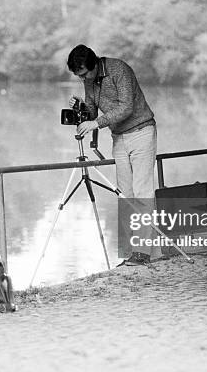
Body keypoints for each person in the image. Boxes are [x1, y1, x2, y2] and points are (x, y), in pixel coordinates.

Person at [67, 44, 162, 265]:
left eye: (83, 74)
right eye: (78, 76)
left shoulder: (119, 69)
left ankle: (143, 252)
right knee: (126, 194)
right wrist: (80, 107)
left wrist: (96, 123)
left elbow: (126, 106)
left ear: (92, 65)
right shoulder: (88, 79)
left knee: (142, 191)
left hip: (141, 131)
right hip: (118, 136)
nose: (82, 78)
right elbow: (91, 111)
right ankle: (135, 252)